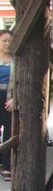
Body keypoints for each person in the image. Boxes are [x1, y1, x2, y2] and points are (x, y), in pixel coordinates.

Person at [0, 29, 13, 181]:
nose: (7, 44)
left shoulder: (17, 59)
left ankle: (7, 165)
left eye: (10, 41)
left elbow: (21, 81)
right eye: (4, 41)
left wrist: (15, 98)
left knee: (9, 131)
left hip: (9, 98)